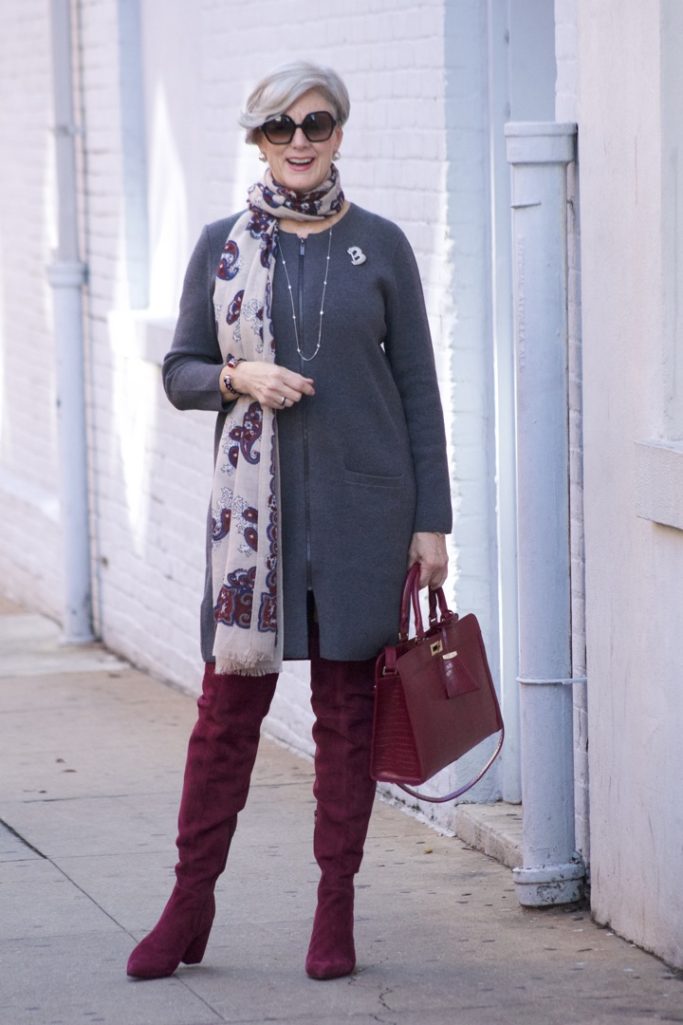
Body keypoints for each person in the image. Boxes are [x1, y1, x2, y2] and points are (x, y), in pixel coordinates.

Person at [126, 59, 451, 982]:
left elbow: (419, 389)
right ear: (257, 141)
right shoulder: (221, 245)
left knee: (347, 718)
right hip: (252, 536)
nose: (299, 142)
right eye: (279, 128)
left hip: (363, 513)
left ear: (340, 132)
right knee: (225, 717)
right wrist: (240, 378)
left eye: (315, 124)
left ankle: (334, 908)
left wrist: (431, 519)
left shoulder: (382, 245)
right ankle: (189, 901)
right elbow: (182, 369)